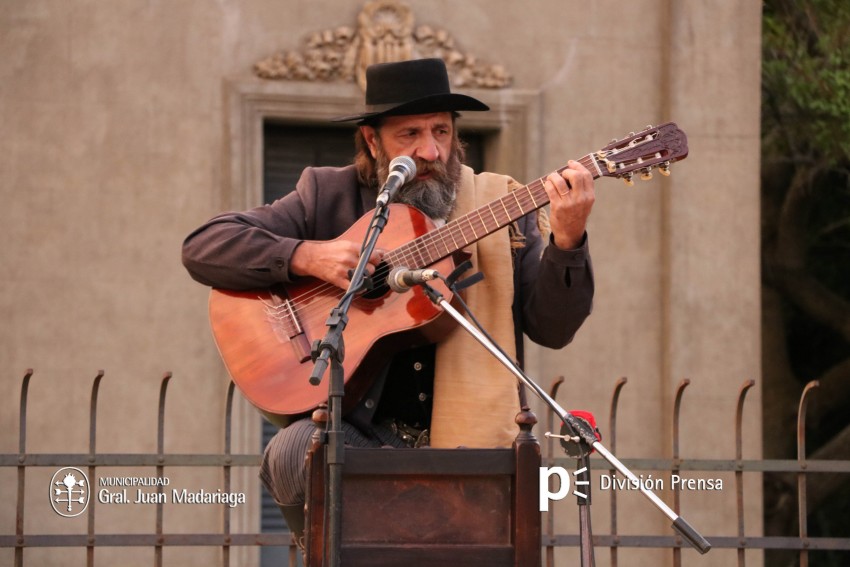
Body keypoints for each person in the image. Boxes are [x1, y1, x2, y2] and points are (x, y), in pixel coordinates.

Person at [182, 58, 595, 548]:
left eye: (442, 131)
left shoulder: (498, 207)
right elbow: (205, 245)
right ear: (373, 142)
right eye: (410, 134)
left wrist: (567, 242)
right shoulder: (327, 195)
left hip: (469, 447)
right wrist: (306, 255)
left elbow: (552, 328)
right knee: (293, 450)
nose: (431, 150)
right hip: (363, 440)